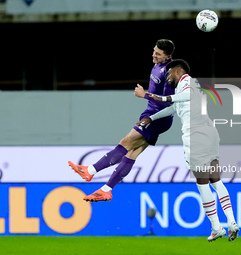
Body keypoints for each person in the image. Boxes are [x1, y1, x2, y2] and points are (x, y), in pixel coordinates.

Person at [136, 59, 239, 242]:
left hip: (196, 136)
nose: (167, 77)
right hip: (209, 134)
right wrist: (151, 118)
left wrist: (155, 97)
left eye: (168, 73)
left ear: (177, 71)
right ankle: (232, 222)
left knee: (202, 183)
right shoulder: (185, 87)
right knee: (215, 180)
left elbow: (184, 96)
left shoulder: (188, 82)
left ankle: (217, 227)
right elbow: (175, 107)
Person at [68, 39, 175, 202]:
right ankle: (106, 189)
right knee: (132, 153)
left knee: (125, 143)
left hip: (156, 118)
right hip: (152, 114)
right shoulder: (157, 65)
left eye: (158, 54)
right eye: (154, 50)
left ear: (168, 57)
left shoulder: (170, 72)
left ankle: (90, 170)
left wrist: (144, 95)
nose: (153, 54)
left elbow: (169, 100)